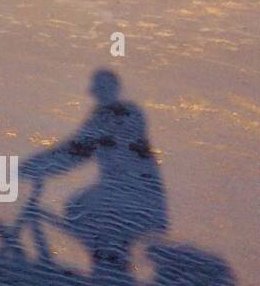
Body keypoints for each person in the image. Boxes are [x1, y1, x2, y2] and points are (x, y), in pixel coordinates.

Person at [19, 69, 167, 273]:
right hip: (137, 194)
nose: (96, 92)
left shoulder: (114, 115)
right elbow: (76, 149)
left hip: (135, 196)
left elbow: (75, 151)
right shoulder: (116, 114)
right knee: (82, 209)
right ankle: (107, 264)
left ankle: (105, 265)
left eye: (99, 87)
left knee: (78, 208)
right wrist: (38, 166)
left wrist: (31, 168)